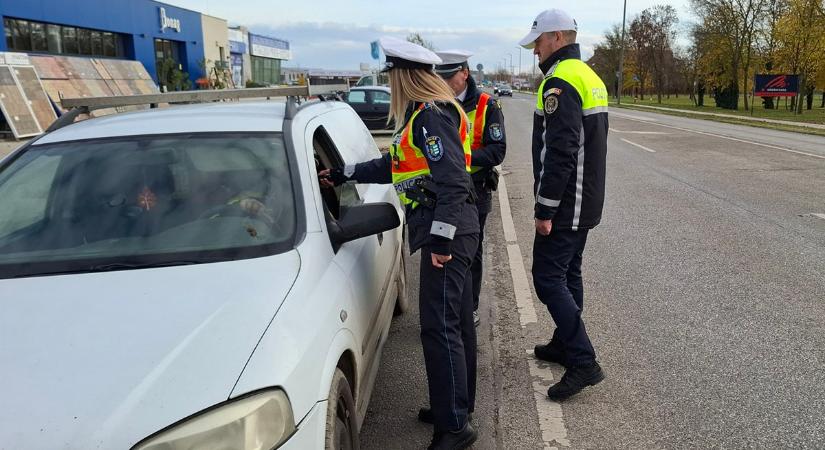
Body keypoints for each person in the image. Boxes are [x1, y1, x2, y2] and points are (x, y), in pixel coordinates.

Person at [321, 36, 479, 450]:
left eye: (392, 76)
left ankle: (454, 428)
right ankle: (456, 408)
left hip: (449, 232)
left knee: (439, 329)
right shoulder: (427, 115)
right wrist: (344, 172)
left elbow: (453, 182)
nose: (390, 84)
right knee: (455, 324)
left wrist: (441, 242)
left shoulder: (430, 117)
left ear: (403, 77)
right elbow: (395, 165)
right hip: (456, 228)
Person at [518, 9, 609, 401]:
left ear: (556, 37)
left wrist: (544, 209)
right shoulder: (588, 74)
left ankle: (583, 361)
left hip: (567, 202)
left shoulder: (560, 81)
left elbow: (561, 152)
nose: (535, 50)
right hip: (586, 199)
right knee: (569, 272)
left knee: (547, 277)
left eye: (538, 42)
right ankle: (563, 343)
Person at [435, 50, 506, 328]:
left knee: (471, 254)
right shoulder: (434, 103)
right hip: (442, 192)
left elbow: (497, 151)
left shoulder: (488, 105)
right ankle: (446, 309)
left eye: (449, 77)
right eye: (439, 77)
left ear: (465, 73)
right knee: (441, 251)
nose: (444, 83)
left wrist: (458, 158)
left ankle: (470, 308)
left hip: (475, 191)